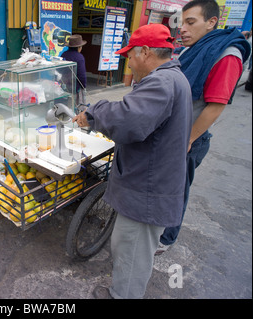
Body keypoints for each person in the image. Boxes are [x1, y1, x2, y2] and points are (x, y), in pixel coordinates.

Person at [73, 23, 193, 299]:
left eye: (130, 55)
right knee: (132, 249)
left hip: (148, 189)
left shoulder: (162, 83)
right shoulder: (172, 77)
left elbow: (128, 119)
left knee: (132, 252)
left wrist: (93, 112)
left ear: (146, 52)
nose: (128, 62)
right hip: (154, 180)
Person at [157, 0, 251, 254]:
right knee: (165, 186)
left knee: (177, 189)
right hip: (173, 132)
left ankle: (167, 238)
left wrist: (188, 139)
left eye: (190, 22)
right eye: (182, 22)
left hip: (188, 137)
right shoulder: (195, 48)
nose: (183, 29)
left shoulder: (226, 54)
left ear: (211, 22)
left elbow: (216, 105)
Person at [60, 34, 88, 106]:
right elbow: (81, 75)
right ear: (79, 47)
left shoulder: (64, 54)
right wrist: (84, 85)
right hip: (75, 86)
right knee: (74, 106)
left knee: (64, 105)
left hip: (63, 84)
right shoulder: (79, 57)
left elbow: (60, 70)